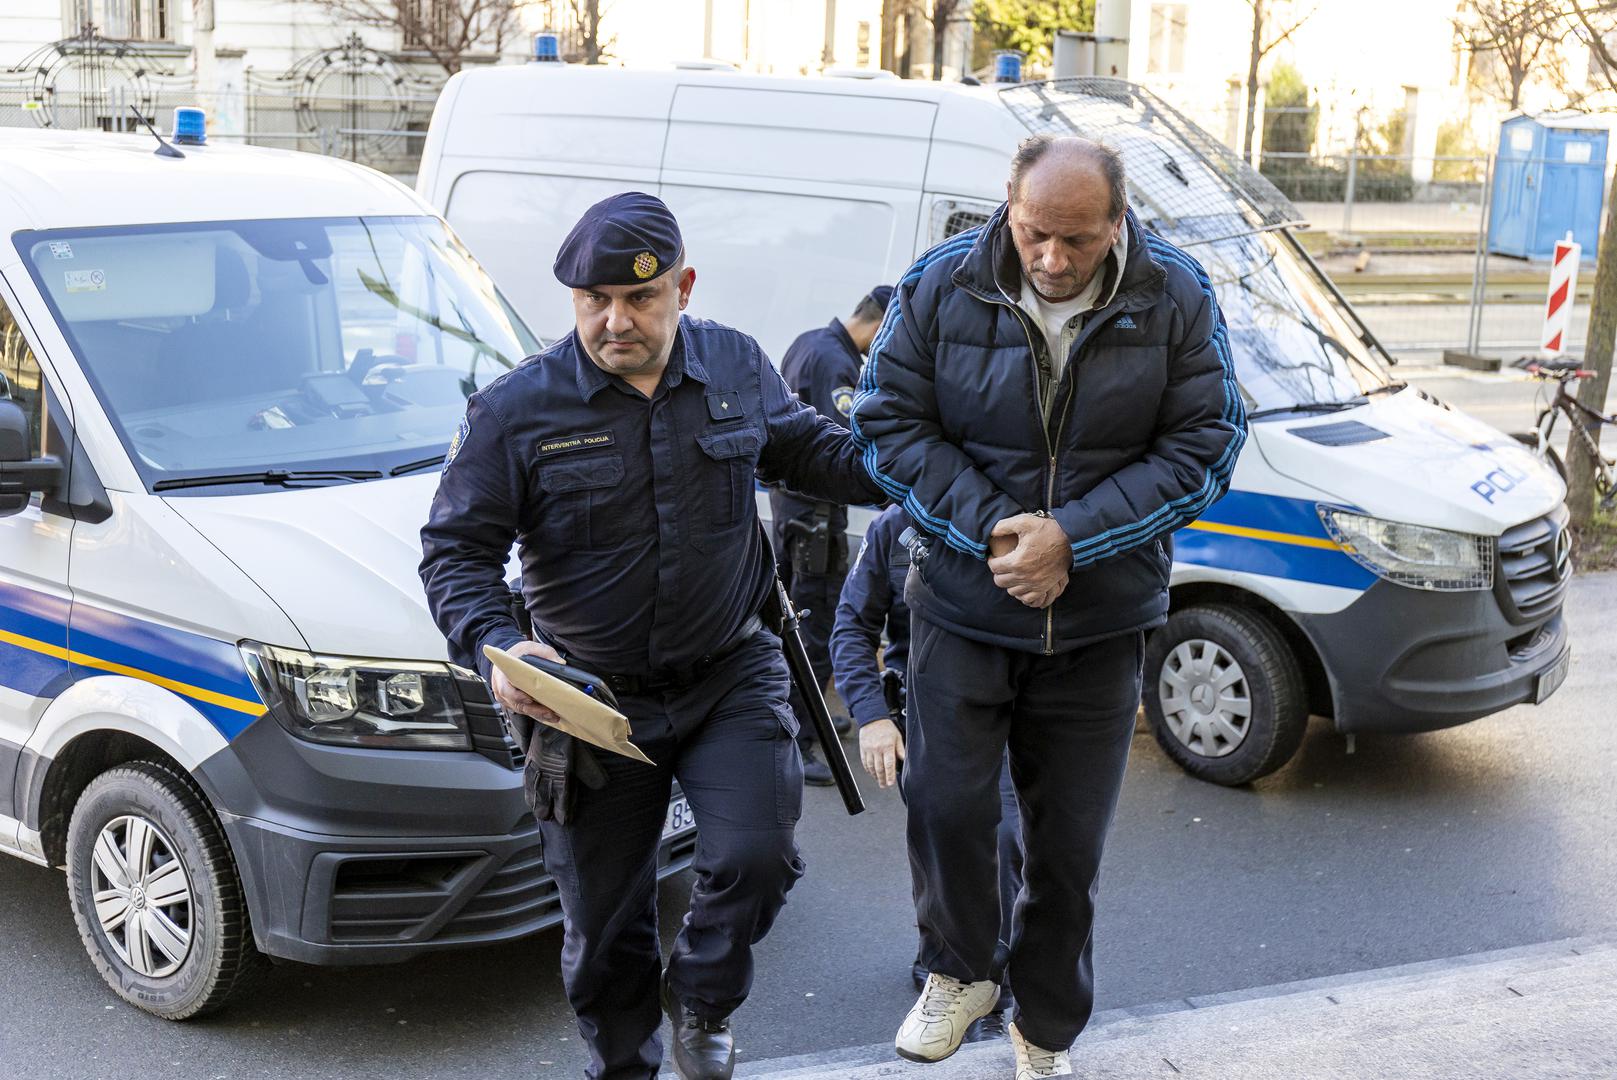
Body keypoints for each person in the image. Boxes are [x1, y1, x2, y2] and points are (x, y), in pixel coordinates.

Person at [419, 192, 883, 1080]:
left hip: (729, 674)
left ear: (683, 287)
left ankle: (705, 1001)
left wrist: (915, 463)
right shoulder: (516, 410)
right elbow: (454, 554)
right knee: (602, 927)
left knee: (758, 858)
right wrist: (498, 645)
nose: (613, 320)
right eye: (592, 300)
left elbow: (809, 452)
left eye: (639, 299)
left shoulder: (737, 364)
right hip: (591, 705)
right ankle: (625, 1067)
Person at [851, 135, 1248, 1078]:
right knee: (945, 808)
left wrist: (1074, 537)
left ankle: (1046, 1028)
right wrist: (1001, 530)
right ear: (1008, 205)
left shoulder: (1176, 295)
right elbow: (884, 424)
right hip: (960, 607)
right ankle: (959, 971)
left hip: (1100, 625)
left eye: (1077, 239)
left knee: (1065, 853)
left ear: (1118, 223)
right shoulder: (941, 285)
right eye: (1036, 234)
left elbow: (1208, 442)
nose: (1053, 259)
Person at [830, 505, 1022, 1043]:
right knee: (944, 844)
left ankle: (988, 984)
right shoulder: (895, 525)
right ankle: (945, 963)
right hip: (929, 713)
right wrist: (870, 715)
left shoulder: (1019, 515)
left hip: (1013, 707)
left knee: (1005, 842)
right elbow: (851, 625)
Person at [770, 286, 893, 785]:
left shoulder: (811, 342)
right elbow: (844, 452)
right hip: (814, 521)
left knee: (795, 624)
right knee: (815, 629)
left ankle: (811, 713)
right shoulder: (835, 365)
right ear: (880, 323)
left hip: (794, 513)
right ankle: (795, 741)